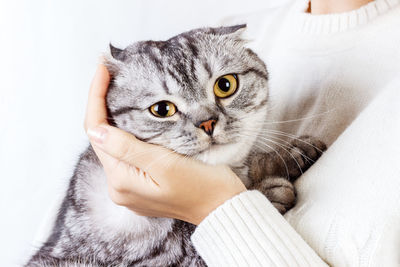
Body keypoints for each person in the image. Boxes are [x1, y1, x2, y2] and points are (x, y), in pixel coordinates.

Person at [85, 0, 400, 266]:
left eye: (224, 86)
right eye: (164, 109)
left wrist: (217, 209)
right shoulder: (232, 31)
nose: (207, 124)